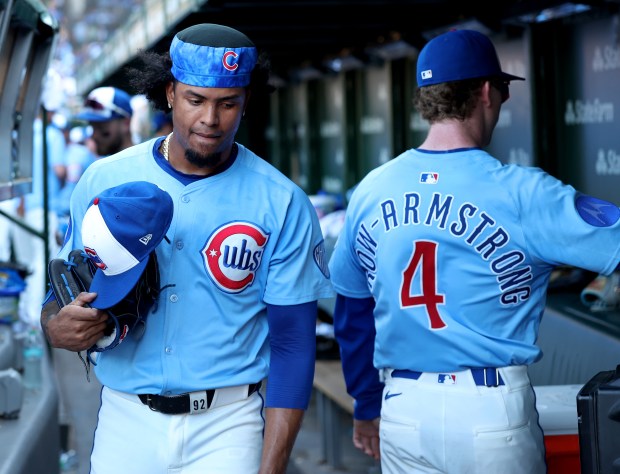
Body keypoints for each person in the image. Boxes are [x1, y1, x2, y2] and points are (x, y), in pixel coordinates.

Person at [40, 23, 334, 474]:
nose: (210, 120)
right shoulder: (104, 179)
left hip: (228, 423)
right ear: (171, 93)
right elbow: (60, 292)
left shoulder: (281, 200)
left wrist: (272, 466)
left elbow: (294, 343)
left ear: (246, 101)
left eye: (227, 103)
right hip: (125, 416)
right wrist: (55, 327)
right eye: (196, 100)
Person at [328, 29, 620, 473]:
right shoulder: (522, 192)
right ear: (486, 92)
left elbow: (351, 312)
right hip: (490, 409)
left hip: (403, 407)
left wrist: (367, 404)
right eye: (502, 90)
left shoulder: (373, 188)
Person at [75, 86, 134, 157]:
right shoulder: (99, 165)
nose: (94, 136)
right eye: (92, 127)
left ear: (126, 123)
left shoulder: (147, 162)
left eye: (101, 127)